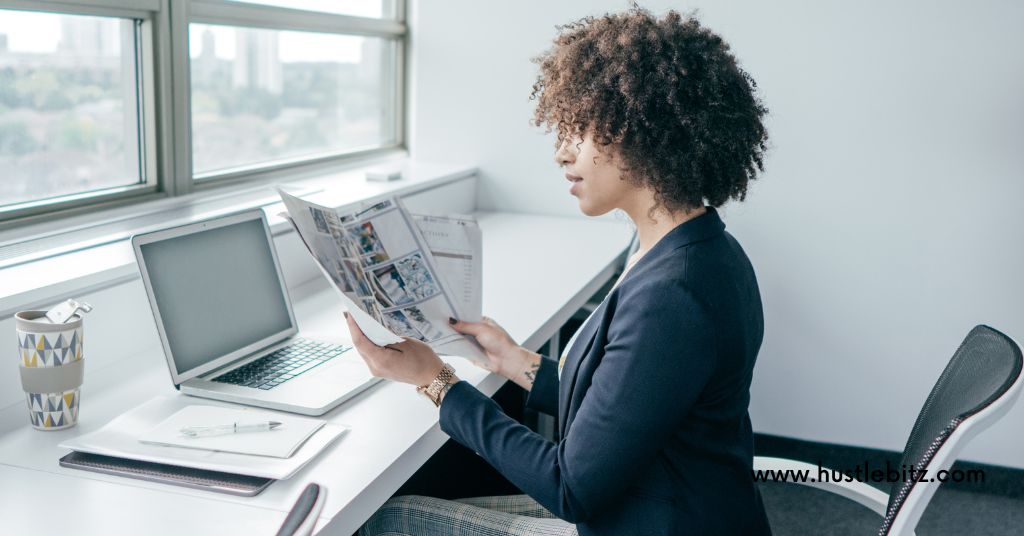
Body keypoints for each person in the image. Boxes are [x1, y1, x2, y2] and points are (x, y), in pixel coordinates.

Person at [352, 8, 771, 536]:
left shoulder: (674, 294)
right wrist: (514, 361)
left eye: (580, 132)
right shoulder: (697, 248)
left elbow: (570, 486)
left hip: (649, 519)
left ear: (640, 133)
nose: (561, 153)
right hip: (658, 500)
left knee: (389, 521)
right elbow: (628, 401)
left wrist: (435, 382)